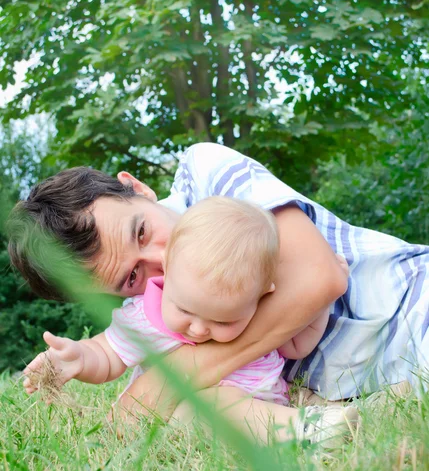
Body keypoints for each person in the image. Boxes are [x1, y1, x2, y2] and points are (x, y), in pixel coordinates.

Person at [8, 142, 424, 406]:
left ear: (135, 187)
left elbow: (320, 278)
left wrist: (168, 385)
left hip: (407, 302)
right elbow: (113, 353)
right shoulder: (156, 312)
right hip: (372, 382)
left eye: (142, 231)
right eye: (132, 277)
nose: (163, 261)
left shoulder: (205, 174)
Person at [21, 196, 357, 448]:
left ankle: (316, 422)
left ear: (261, 297)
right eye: (184, 309)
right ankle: (306, 431)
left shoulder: (255, 312)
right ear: (167, 271)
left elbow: (297, 345)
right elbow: (108, 355)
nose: (197, 329)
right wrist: (80, 357)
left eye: (222, 320)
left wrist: (321, 305)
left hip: (268, 403)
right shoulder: (146, 316)